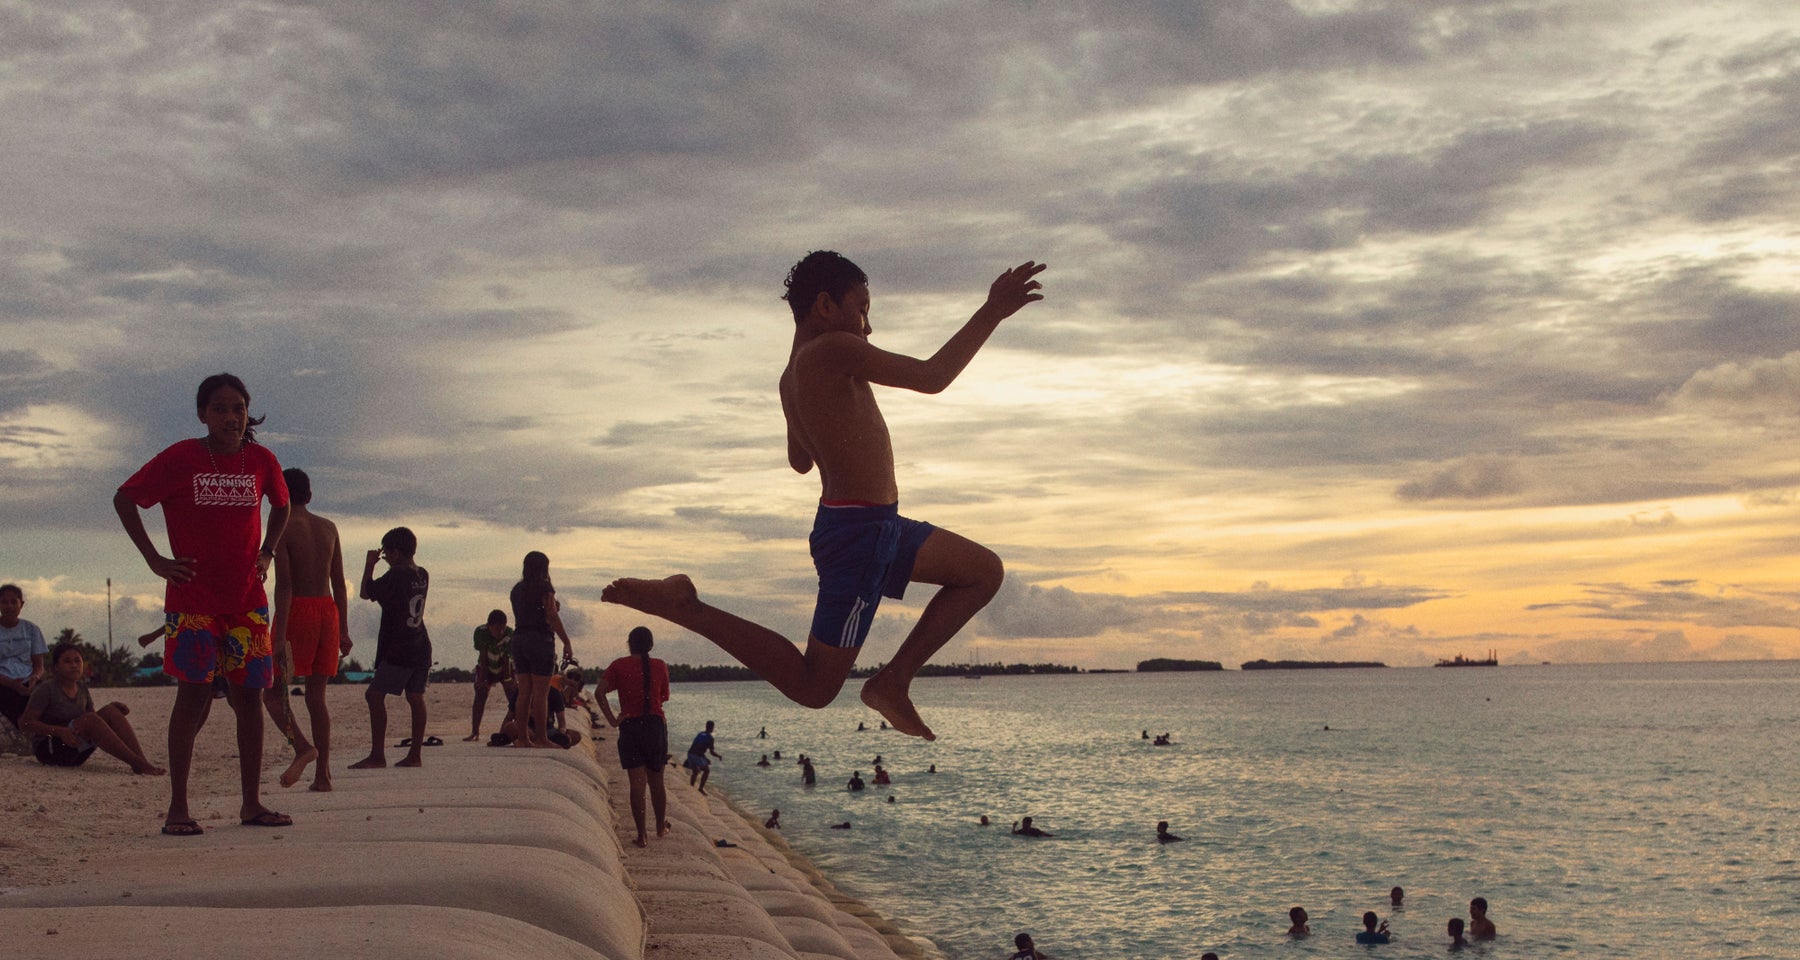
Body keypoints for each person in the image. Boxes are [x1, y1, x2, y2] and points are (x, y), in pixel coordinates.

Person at [602, 253, 1047, 741]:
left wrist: (830, 417)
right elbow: (933, 376)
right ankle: (686, 605)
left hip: (874, 525)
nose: (869, 327)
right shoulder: (834, 349)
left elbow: (800, 460)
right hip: (859, 533)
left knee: (984, 572)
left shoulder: (791, 374)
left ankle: (894, 681)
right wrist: (993, 310)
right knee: (814, 686)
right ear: (825, 306)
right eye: (863, 308)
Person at [114, 373, 292, 836]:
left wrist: (269, 550)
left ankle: (251, 804)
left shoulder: (262, 460)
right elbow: (126, 497)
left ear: (247, 412)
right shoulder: (182, 457)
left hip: (247, 602)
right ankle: (178, 808)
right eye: (219, 409)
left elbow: (282, 505)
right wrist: (155, 560)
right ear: (202, 415)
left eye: (238, 408)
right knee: (191, 697)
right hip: (192, 601)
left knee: (249, 699)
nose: (231, 417)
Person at [265, 467, 350, 792]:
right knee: (317, 697)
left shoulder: (283, 527)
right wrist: (343, 628)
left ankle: (303, 747)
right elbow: (339, 583)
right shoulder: (328, 527)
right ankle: (323, 775)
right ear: (310, 495)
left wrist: (279, 636)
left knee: (272, 694)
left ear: (280, 497)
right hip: (327, 612)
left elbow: (284, 586)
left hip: (297, 612)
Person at [349, 526, 430, 770]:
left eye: (385, 554)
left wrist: (369, 564)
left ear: (394, 553)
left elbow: (365, 592)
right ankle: (414, 754)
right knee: (415, 697)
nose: (385, 558)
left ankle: (377, 755)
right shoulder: (422, 573)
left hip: (400, 647)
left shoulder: (396, 575)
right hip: (420, 643)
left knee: (374, 695)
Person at [19, 642, 165, 775]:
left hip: (76, 749)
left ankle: (140, 762)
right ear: (56, 667)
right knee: (92, 718)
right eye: (67, 661)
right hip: (51, 749)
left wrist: (112, 711)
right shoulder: (47, 689)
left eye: (77, 660)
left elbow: (94, 722)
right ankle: (138, 763)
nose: (74, 665)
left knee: (110, 711)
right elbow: (25, 723)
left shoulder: (82, 688)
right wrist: (59, 731)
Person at [598, 625, 673, 847]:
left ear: (629, 644)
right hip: (654, 725)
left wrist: (612, 720)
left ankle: (642, 835)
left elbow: (599, 692)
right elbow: (662, 697)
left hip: (630, 726)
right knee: (657, 781)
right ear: (650, 645)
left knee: (637, 784)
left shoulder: (618, 666)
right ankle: (660, 827)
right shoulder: (660, 666)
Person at [511, 551, 575, 749]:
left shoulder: (516, 589)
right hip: (540, 640)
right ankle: (541, 738)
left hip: (519, 638)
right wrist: (566, 641)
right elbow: (552, 616)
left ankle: (523, 738)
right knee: (541, 693)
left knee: (524, 692)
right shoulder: (544, 587)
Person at [0, 583, 48, 730]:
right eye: (4, 602)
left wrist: (34, 678)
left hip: (28, 680)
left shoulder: (31, 629)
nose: (9, 606)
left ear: (22, 604)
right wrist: (12, 684)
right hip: (3, 681)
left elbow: (39, 666)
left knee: (46, 694)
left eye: (14, 602)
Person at [465, 609, 514, 741]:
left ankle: (519, 728)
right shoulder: (480, 632)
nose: (500, 633)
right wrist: (482, 680)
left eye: (503, 629)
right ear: (489, 626)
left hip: (504, 665)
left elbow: (507, 658)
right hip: (486, 664)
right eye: (497, 629)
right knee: (480, 694)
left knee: (514, 697)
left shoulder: (509, 634)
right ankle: (475, 731)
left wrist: (508, 678)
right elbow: (483, 656)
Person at [684, 719, 722, 793]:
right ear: (712, 728)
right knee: (707, 770)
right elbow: (711, 752)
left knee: (696, 771)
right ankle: (700, 788)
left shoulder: (700, 734)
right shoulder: (710, 738)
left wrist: (705, 758)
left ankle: (691, 786)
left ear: (706, 726)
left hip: (690, 753)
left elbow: (696, 747)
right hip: (696, 755)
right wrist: (718, 756)